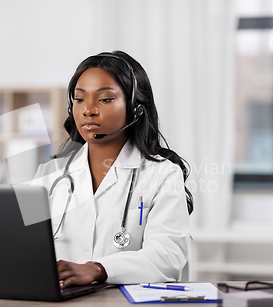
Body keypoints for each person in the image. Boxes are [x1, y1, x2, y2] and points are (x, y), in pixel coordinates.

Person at [30, 51, 193, 288]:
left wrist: (97, 269)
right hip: (57, 304)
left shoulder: (163, 174)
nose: (89, 110)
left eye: (105, 99)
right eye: (79, 99)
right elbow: (19, 247)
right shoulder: (47, 174)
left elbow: (166, 257)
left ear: (136, 107)